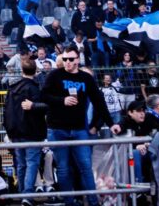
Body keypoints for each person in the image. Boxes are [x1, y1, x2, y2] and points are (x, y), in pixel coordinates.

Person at [39, 44, 112, 206]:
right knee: (63, 169)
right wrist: (61, 100)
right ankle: (69, 202)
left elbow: (99, 102)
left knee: (85, 166)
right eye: (65, 59)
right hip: (58, 129)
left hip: (79, 129)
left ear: (78, 60)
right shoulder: (54, 75)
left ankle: (93, 202)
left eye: (71, 59)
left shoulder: (86, 78)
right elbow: (43, 96)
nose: (67, 62)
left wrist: (111, 123)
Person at [4, 56, 47, 199]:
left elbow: (7, 111)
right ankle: (27, 195)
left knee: (21, 164)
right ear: (35, 71)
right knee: (31, 163)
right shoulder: (34, 88)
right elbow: (44, 108)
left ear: (21, 70)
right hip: (32, 132)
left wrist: (9, 130)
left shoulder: (12, 88)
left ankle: (23, 193)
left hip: (16, 132)